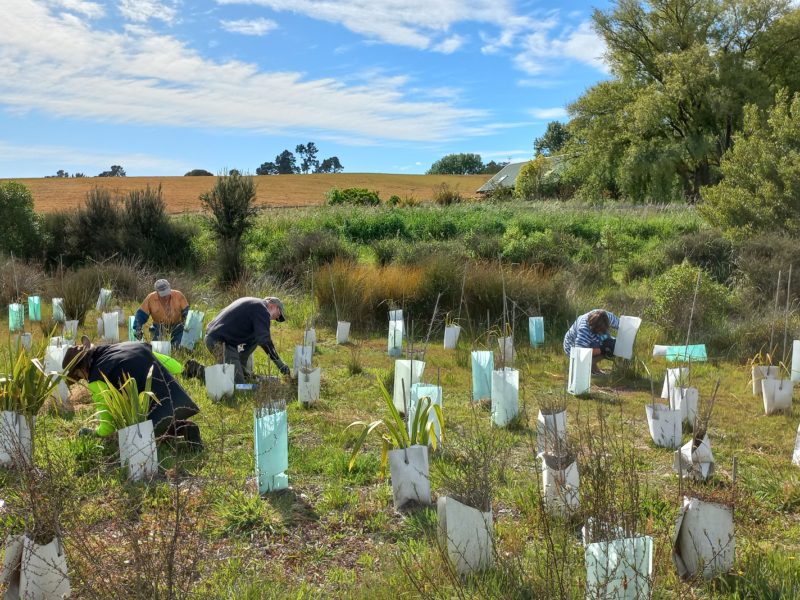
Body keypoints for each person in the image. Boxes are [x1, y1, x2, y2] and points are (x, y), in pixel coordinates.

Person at [62, 336, 202, 449]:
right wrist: (182, 371)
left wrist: (95, 433)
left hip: (157, 409)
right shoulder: (127, 346)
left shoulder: (97, 377)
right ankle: (184, 427)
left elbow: (108, 425)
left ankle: (180, 429)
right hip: (178, 397)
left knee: (137, 435)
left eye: (79, 376)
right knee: (152, 414)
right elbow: (170, 364)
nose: (84, 379)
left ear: (82, 369)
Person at [201, 296, 290, 384]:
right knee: (239, 385)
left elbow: (257, 338)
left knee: (245, 378)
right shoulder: (262, 310)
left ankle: (247, 374)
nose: (276, 318)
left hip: (218, 338)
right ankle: (199, 371)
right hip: (220, 342)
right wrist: (281, 365)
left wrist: (242, 367)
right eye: (279, 314)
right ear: (273, 305)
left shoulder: (253, 304)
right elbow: (265, 341)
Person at [133, 279, 190, 346]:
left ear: (169, 288)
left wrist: (187, 324)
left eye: (167, 293)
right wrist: (137, 328)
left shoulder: (178, 295)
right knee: (157, 348)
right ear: (157, 292)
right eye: (163, 294)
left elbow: (187, 312)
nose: (166, 297)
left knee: (179, 346)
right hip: (159, 328)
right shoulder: (150, 298)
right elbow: (141, 315)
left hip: (177, 327)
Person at [563, 309, 619, 375]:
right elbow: (580, 353)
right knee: (608, 348)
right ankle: (582, 367)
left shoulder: (606, 316)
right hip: (573, 347)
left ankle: (593, 368)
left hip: (592, 340)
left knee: (613, 345)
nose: (601, 333)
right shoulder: (584, 330)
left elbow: (622, 325)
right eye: (600, 330)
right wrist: (602, 350)